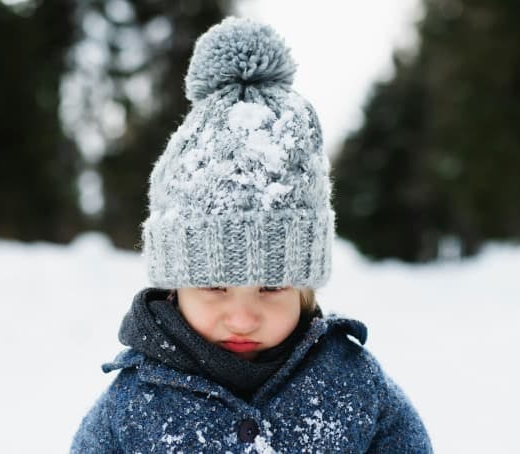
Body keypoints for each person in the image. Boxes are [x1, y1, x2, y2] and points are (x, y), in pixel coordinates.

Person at [70, 17, 432, 453]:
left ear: (304, 288)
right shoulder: (133, 403)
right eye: (214, 285)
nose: (243, 317)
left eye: (272, 285)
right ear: (173, 287)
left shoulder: (352, 383)